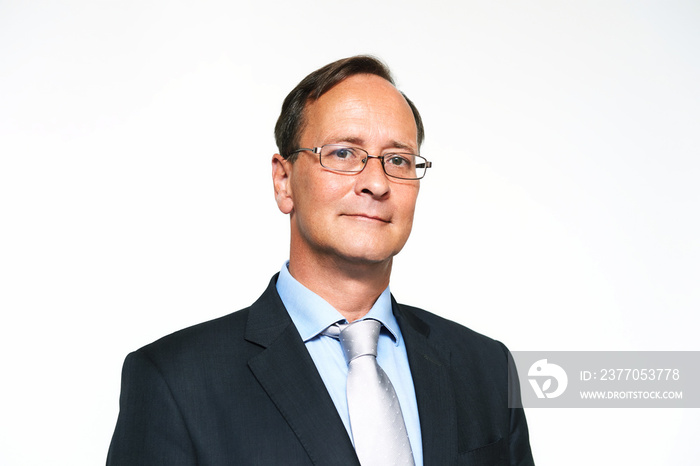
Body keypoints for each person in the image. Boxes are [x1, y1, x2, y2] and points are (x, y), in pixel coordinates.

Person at [107, 55, 535, 466]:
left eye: (398, 160)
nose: (375, 183)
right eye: (344, 153)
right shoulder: (176, 381)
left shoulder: (486, 369)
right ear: (284, 180)